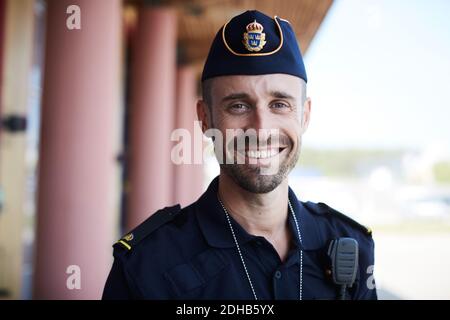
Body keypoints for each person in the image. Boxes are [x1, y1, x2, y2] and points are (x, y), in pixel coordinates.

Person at [103, 10, 377, 300]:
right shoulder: (146, 265)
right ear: (205, 118)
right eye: (238, 106)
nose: (260, 129)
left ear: (304, 115)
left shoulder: (351, 245)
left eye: (280, 104)